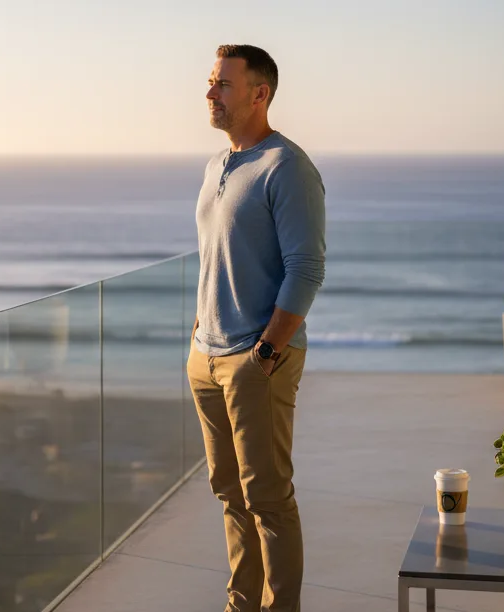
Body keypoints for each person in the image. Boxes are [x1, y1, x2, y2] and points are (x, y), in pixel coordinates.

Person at [187, 44, 326, 612]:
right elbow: (213, 256)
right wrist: (198, 334)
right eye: (211, 81)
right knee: (229, 497)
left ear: (258, 93)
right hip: (206, 357)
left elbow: (307, 269)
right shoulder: (217, 165)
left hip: (256, 359)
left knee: (267, 499)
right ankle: (242, 605)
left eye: (222, 83)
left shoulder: (286, 167)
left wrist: (267, 350)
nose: (209, 92)